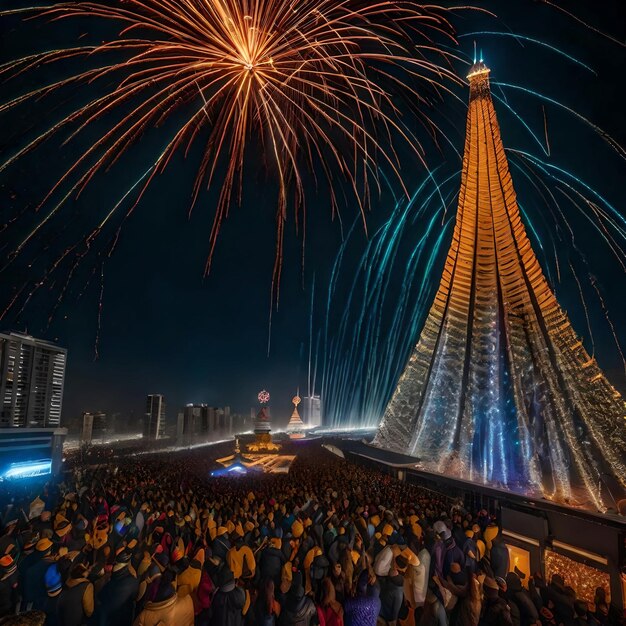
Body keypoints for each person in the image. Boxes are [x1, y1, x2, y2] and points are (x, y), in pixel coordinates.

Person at [96, 550, 139, 626]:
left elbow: (101, 597)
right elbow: (134, 596)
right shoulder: (133, 580)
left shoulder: (111, 579)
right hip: (122, 617)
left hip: (108, 616)